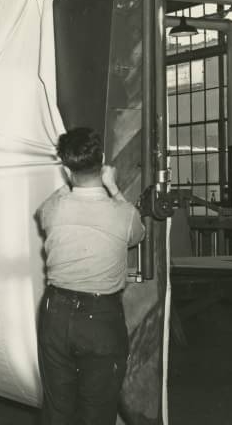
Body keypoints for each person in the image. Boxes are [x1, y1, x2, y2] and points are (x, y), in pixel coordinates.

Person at [35, 127, 146, 425]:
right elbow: (138, 234)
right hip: (101, 318)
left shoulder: (53, 209)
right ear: (104, 160)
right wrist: (113, 187)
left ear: (66, 168)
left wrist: (69, 181)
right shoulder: (124, 214)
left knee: (57, 409)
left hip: (55, 314)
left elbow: (46, 210)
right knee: (98, 410)